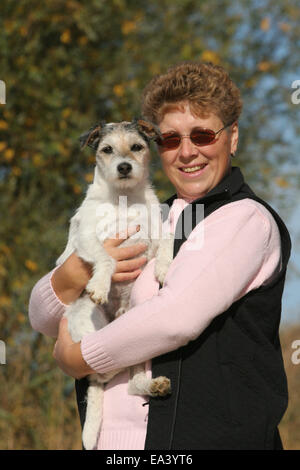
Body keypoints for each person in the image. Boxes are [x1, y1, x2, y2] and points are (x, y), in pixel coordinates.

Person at [28, 61, 291, 450]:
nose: (187, 152)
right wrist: (76, 271)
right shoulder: (161, 216)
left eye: (202, 135)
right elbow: (41, 316)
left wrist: (78, 358)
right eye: (170, 139)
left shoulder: (243, 218)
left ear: (232, 138)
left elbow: (175, 318)